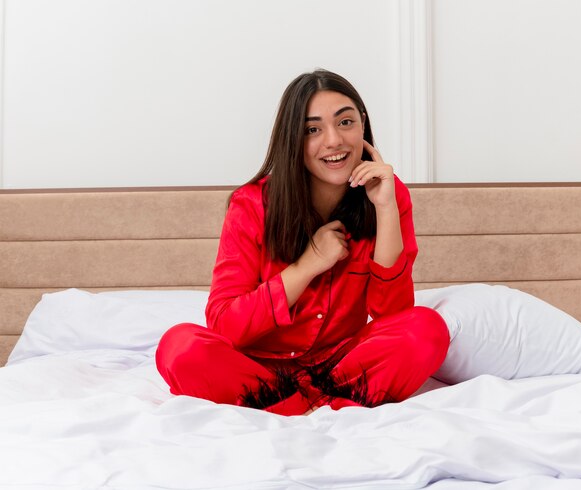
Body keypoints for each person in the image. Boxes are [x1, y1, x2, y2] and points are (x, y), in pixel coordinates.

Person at [156, 69, 450, 416]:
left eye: (345, 123)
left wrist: (384, 208)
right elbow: (224, 326)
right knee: (178, 347)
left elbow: (393, 316)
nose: (333, 141)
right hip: (259, 370)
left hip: (341, 366)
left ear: (363, 126)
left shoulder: (387, 192)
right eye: (313, 130)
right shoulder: (251, 204)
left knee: (426, 329)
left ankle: (311, 404)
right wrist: (307, 265)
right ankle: (305, 406)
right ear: (292, 139)